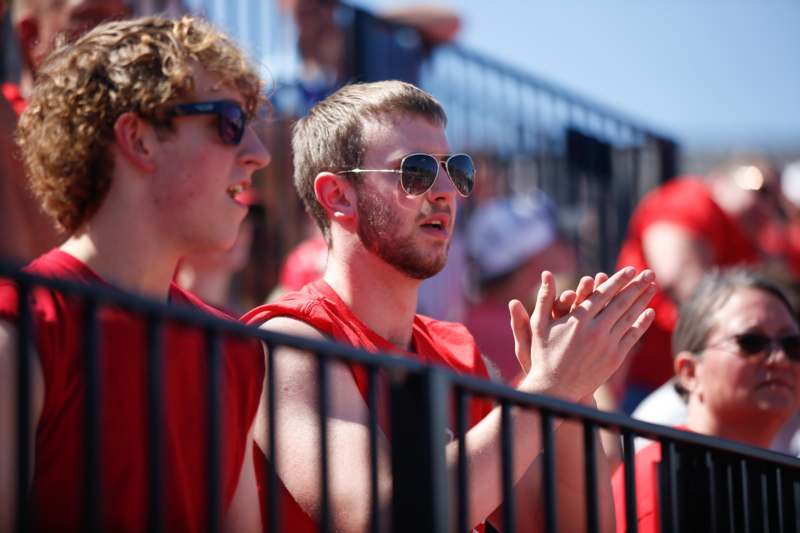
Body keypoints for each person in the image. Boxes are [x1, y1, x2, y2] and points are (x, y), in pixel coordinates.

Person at [242, 80, 657, 532]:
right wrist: (550, 389)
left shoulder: (455, 351)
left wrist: (575, 386)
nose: (446, 191)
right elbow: (384, 519)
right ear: (339, 196)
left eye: (454, 170)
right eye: (415, 171)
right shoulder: (289, 340)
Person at [0, 15, 271, 531]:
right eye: (230, 122)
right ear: (138, 139)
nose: (257, 154)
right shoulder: (21, 328)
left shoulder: (234, 350)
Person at [612, 269, 800, 532]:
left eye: (793, 345)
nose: (779, 359)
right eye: (752, 342)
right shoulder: (659, 475)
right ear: (690, 372)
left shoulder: (784, 479)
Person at [615, 157, 786, 412]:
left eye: (775, 200)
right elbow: (681, 277)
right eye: (759, 187)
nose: (767, 204)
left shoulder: (755, 241)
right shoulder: (690, 199)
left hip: (700, 386)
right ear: (719, 179)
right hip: (644, 384)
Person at [0, 0, 131, 263]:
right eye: (87, 18)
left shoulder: (134, 141)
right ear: (31, 35)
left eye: (122, 20)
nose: (116, 37)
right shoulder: (7, 121)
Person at [465, 191, 576, 383]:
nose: (571, 251)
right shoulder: (518, 332)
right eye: (560, 242)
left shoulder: (470, 321)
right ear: (536, 259)